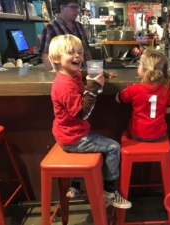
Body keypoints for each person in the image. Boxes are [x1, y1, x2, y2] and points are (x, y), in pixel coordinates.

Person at [48, 34, 131, 209]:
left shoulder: (71, 75)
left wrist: (103, 74)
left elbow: (82, 74)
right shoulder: (65, 86)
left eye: (80, 52)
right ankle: (109, 191)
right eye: (71, 52)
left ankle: (76, 186)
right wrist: (92, 88)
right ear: (56, 58)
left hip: (66, 133)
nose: (77, 56)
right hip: (74, 138)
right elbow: (81, 114)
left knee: (92, 148)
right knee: (113, 147)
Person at [115, 49, 170, 141]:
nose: (138, 67)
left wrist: (125, 90)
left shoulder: (134, 89)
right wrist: (159, 111)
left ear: (145, 71)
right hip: (160, 134)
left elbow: (118, 99)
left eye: (139, 65)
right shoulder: (167, 88)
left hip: (137, 133)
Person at [39, 0, 92, 68]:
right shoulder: (49, 29)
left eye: (77, 7)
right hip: (63, 75)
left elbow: (86, 50)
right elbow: (45, 55)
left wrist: (90, 69)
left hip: (82, 74)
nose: (77, 10)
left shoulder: (79, 26)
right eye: (73, 7)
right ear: (62, 7)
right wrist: (52, 74)